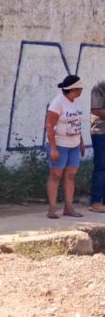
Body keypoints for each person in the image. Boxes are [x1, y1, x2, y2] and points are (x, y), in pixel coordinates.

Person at [45, 75, 85, 219]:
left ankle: (68, 207)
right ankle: (52, 208)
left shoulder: (75, 102)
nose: (81, 91)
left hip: (73, 144)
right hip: (60, 144)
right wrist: (53, 148)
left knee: (71, 175)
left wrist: (81, 141)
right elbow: (49, 126)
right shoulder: (57, 103)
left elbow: (76, 122)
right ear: (73, 89)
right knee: (55, 175)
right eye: (80, 88)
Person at [89, 80, 105, 213]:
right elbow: (96, 110)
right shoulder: (100, 86)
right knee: (101, 166)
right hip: (101, 133)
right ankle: (95, 202)